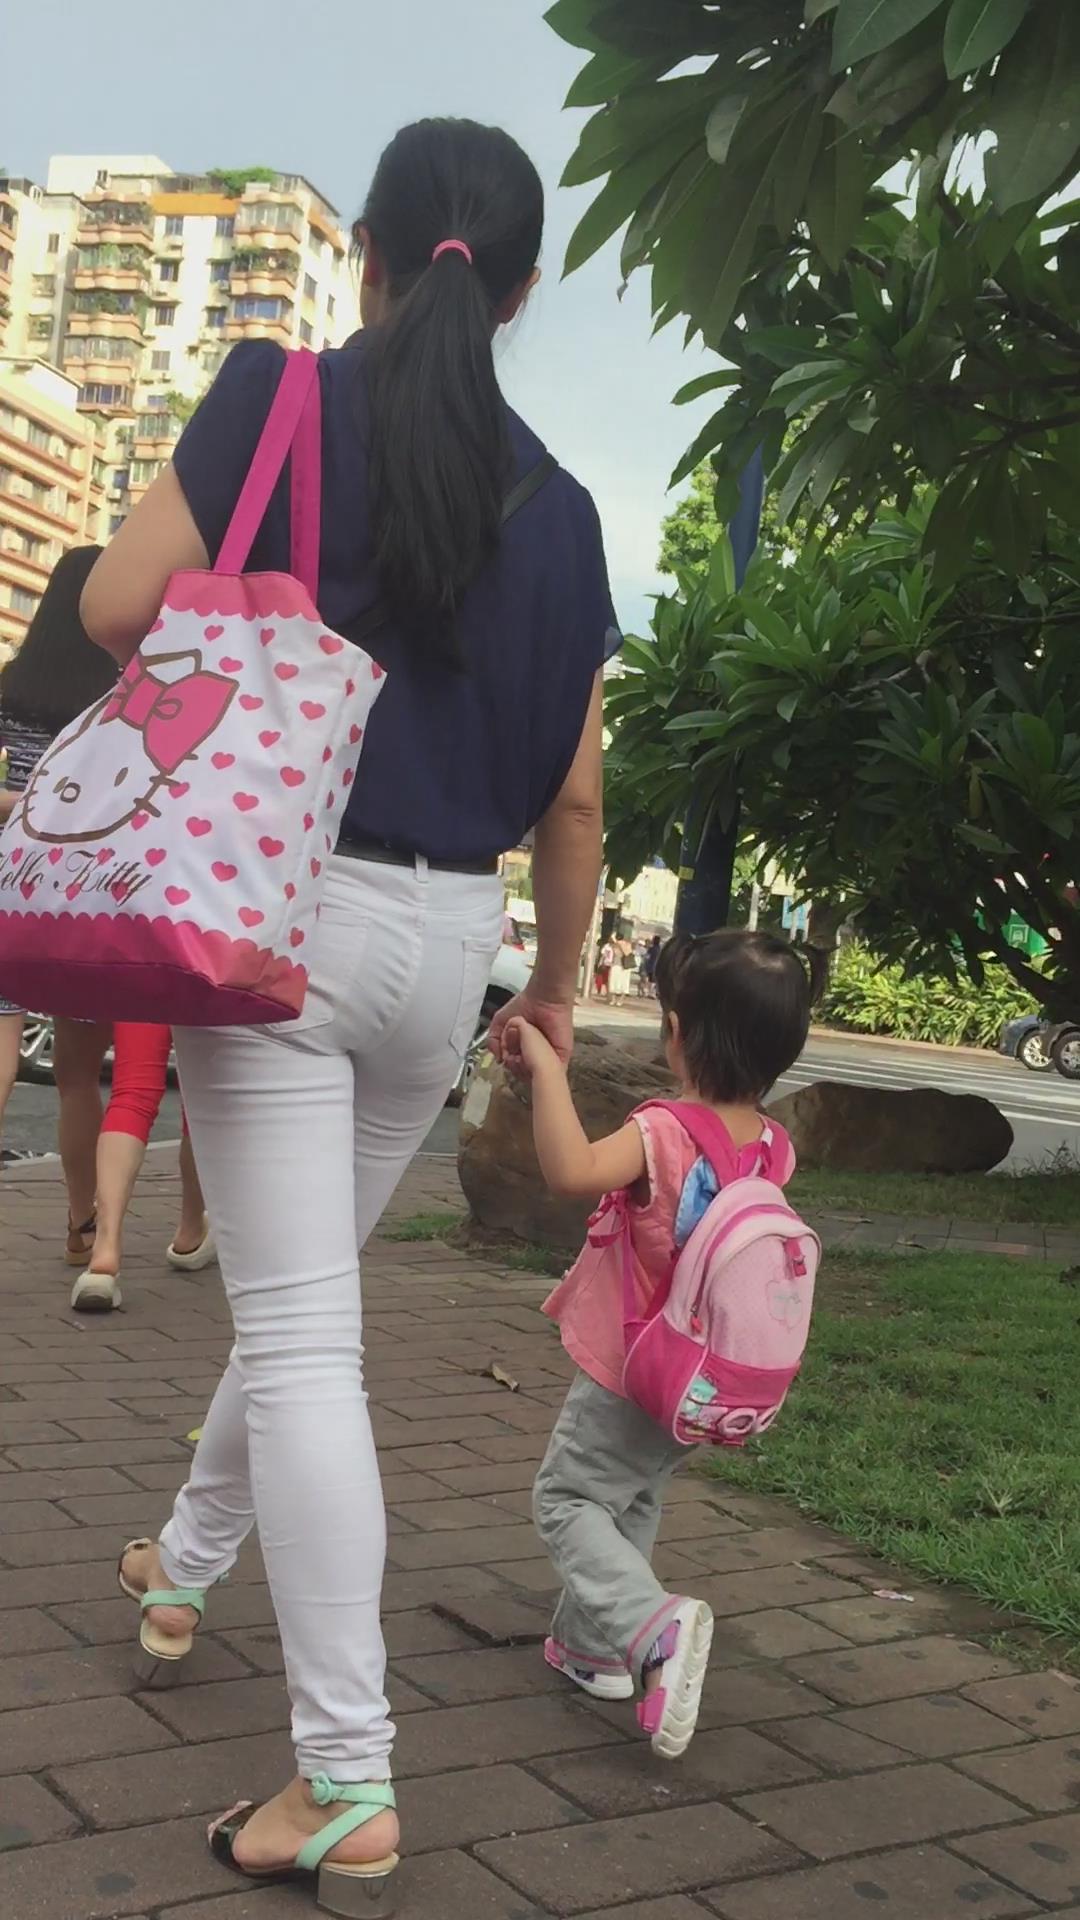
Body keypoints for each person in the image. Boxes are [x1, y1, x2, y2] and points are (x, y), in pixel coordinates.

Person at [80, 118, 616, 1903]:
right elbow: (576, 801)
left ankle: (346, 1774)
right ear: (519, 294)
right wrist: (552, 990)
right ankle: (182, 1562)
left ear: (369, 258)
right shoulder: (568, 512)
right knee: (298, 1303)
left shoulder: (279, 398)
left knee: (306, 1341)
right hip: (446, 951)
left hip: (279, 914)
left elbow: (116, 601)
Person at [506, 929, 819, 1760]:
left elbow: (571, 1170)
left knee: (568, 1499)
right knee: (631, 1495)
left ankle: (649, 1627)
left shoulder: (663, 1131)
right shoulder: (773, 1147)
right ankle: (593, 1651)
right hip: (706, 1375)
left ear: (675, 1033)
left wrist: (547, 1071)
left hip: (635, 1365)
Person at [0, 548, 117, 1235]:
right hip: (82, 893)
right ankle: (80, 1221)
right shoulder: (122, 702)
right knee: (78, 1076)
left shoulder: (10, 688)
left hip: (6, 881)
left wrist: (20, 802)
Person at [71, 1023, 214, 1313]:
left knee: (132, 1093)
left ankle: (105, 1250)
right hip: (209, 995)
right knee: (201, 1096)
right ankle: (190, 1230)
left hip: (146, 992)